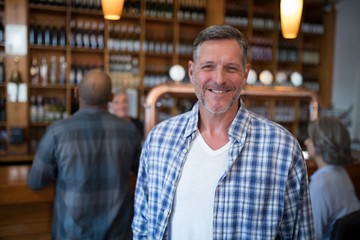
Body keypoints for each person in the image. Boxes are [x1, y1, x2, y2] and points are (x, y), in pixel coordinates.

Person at [132, 25, 315, 239]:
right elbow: (142, 227)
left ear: (245, 74)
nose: (219, 79)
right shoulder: (158, 140)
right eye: (208, 66)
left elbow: (300, 235)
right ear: (192, 72)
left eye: (230, 68)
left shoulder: (282, 148)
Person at [27, 69, 142, 239]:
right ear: (111, 97)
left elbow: (36, 181)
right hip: (118, 232)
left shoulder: (57, 132)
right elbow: (143, 174)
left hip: (71, 233)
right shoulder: (129, 131)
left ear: (76, 93)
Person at [304, 116, 360, 240]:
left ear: (321, 143)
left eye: (311, 138)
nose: (306, 141)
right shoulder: (341, 173)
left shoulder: (321, 184)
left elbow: (310, 236)